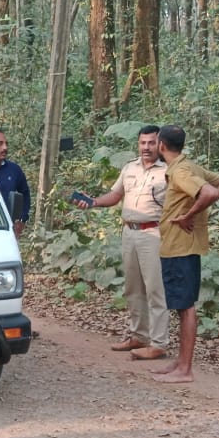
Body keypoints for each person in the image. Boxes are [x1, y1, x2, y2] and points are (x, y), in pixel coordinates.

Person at [73, 124, 170, 360]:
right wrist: (93, 201)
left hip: (154, 233)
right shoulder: (129, 168)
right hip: (129, 232)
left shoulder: (168, 171)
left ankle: (158, 343)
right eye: (142, 143)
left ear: (160, 144)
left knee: (156, 289)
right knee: (133, 288)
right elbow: (116, 196)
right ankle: (139, 336)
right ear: (137, 144)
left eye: (150, 143)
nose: (146, 147)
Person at [152, 124, 219, 383]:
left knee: (185, 308)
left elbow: (208, 191)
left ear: (162, 145)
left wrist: (189, 215)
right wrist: (196, 213)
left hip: (180, 248)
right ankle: (180, 362)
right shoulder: (189, 166)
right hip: (182, 246)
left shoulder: (182, 171)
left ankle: (185, 369)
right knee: (182, 305)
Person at [0, 127, 31, 237]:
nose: (5, 147)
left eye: (6, 144)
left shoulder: (14, 170)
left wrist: (22, 219)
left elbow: (25, 194)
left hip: (7, 230)